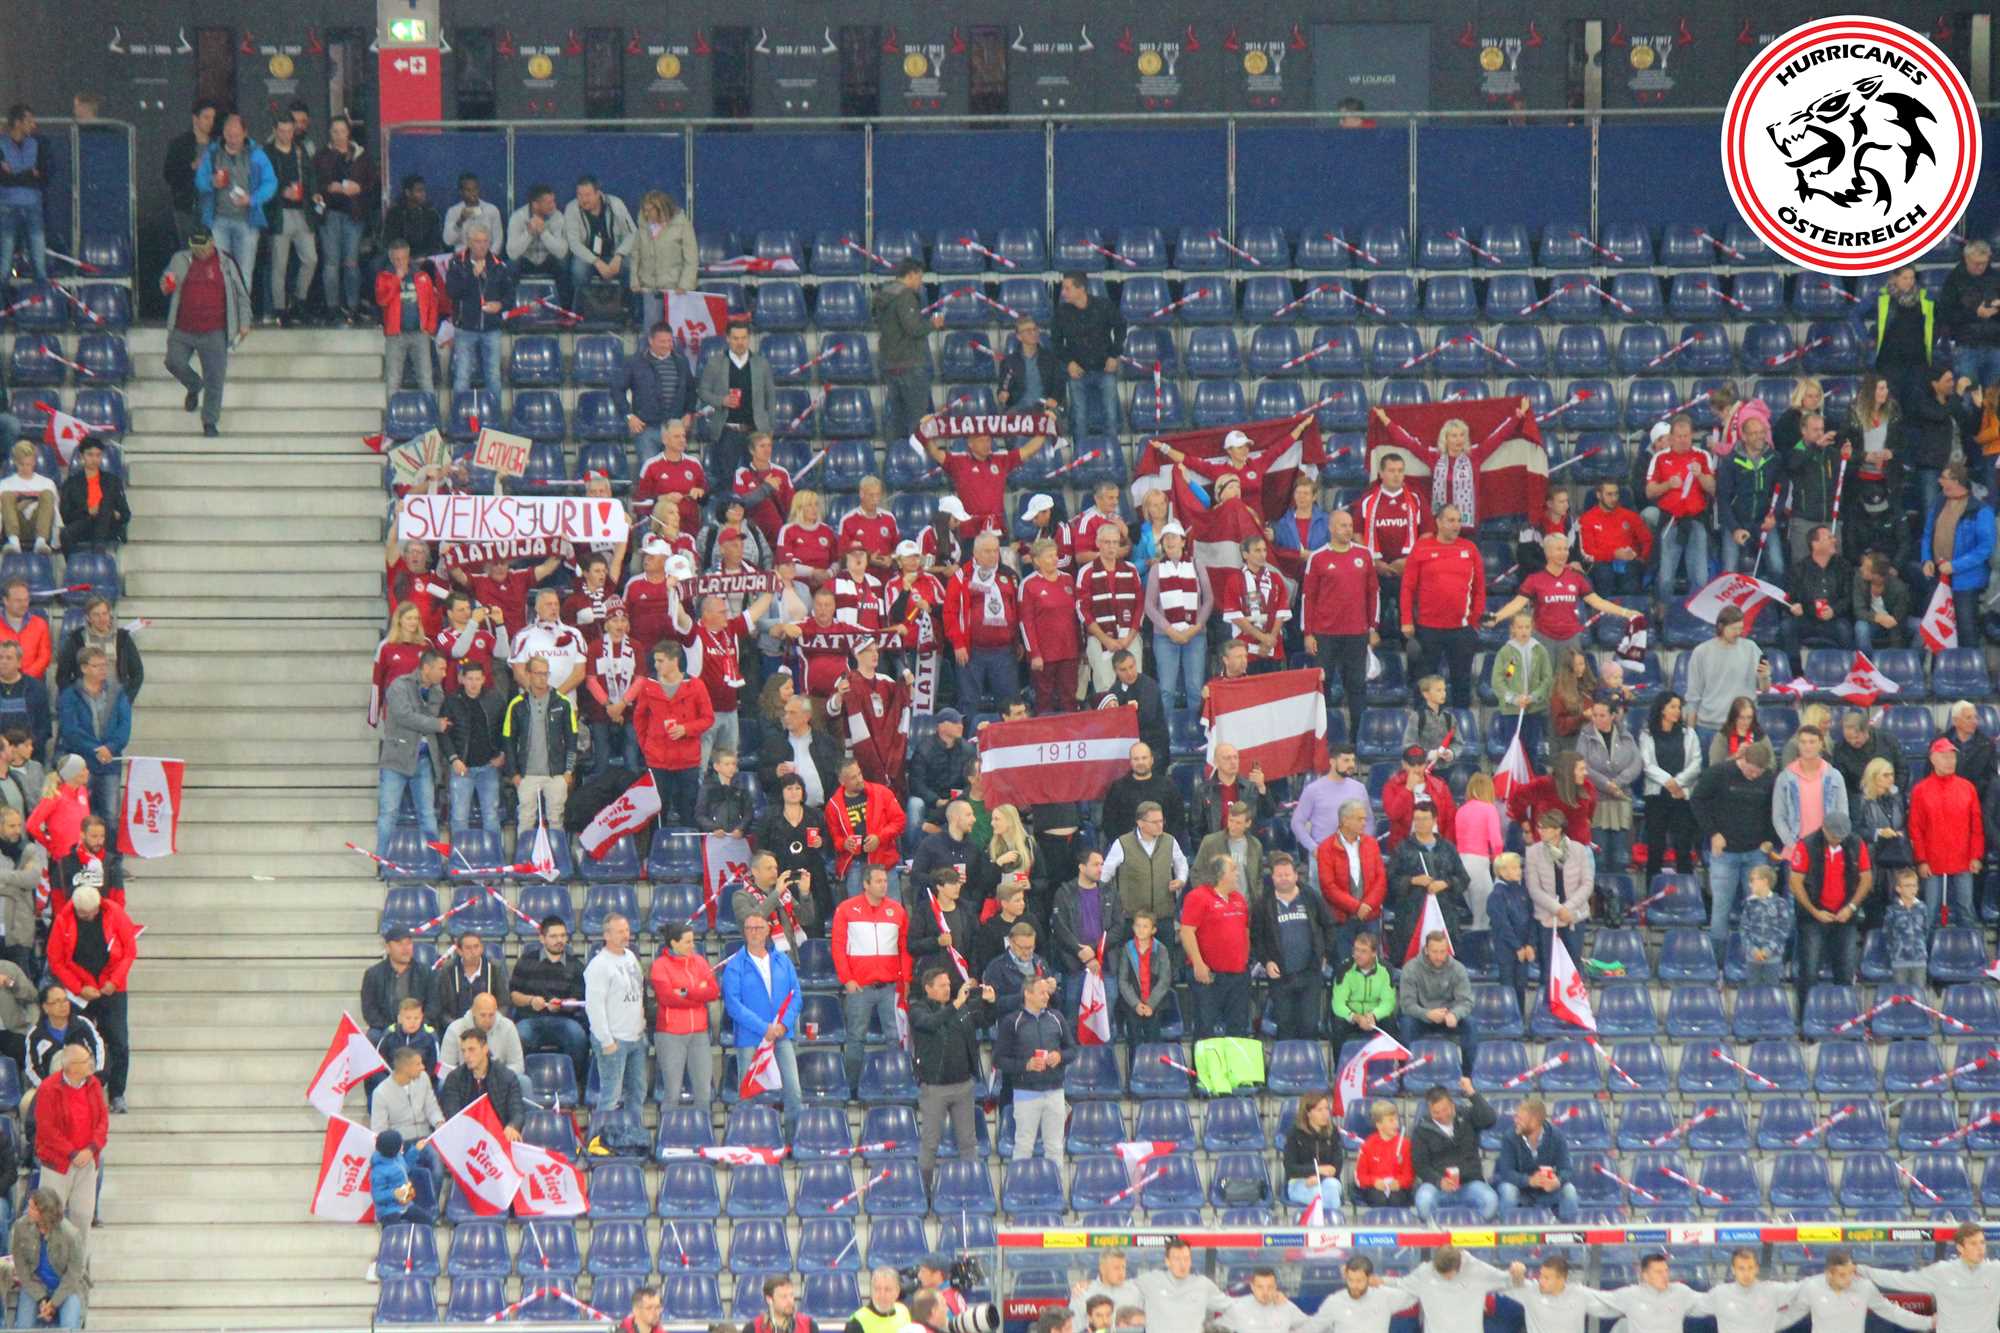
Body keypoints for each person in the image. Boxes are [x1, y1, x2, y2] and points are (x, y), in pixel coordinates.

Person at [1485, 533, 1640, 657]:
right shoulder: (1534, 580)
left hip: (1571, 640)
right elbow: (1517, 603)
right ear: (1547, 552)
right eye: (1558, 549)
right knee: (1544, 684)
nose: (1564, 553)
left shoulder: (1576, 578)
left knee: (1570, 685)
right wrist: (1496, 617)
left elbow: (1597, 602)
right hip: (1543, 639)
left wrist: (1626, 613)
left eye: (1566, 549)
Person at [161, 226, 251, 438]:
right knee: (173, 362)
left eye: (203, 247)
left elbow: (241, 294)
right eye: (196, 247)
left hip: (215, 330)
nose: (200, 251)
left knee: (215, 378)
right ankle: (194, 385)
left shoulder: (226, 262)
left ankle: (210, 422)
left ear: (212, 243)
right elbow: (164, 286)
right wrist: (168, 284)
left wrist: (244, 322)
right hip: (183, 327)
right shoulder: (179, 259)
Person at [830, 864, 908, 1097]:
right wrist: (847, 979)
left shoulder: (897, 910)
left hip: (890, 986)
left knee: (895, 1038)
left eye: (885, 881)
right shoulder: (846, 909)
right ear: (865, 884)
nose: (884, 885)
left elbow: (904, 949)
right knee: (856, 1038)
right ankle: (852, 1090)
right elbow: (838, 947)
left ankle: (896, 1085)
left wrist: (905, 980)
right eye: (878, 881)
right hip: (859, 987)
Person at [721, 914, 804, 1131]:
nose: (754, 932)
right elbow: (733, 1005)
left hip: (781, 1036)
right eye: (749, 928)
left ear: (767, 930)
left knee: (794, 1092)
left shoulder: (782, 960)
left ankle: (793, 1141)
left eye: (758, 928)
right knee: (747, 1095)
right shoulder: (735, 965)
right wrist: (763, 1027)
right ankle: (746, 1139)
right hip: (750, 1038)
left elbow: (796, 995)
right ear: (744, 932)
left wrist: (783, 1025)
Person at [910, 963, 986, 1190]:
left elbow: (983, 1021)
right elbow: (931, 1023)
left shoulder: (959, 1008)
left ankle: (972, 1189)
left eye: (948, 984)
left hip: (963, 1085)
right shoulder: (918, 1009)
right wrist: (956, 1004)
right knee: (930, 1143)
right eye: (942, 985)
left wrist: (989, 1003)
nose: (947, 988)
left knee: (968, 1143)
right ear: (928, 988)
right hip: (935, 1088)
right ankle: (924, 1192)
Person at [1400, 504, 1485, 708]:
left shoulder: (1469, 549)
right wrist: (1406, 620)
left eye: (1459, 520)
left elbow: (1480, 589)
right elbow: (1407, 587)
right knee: (1425, 684)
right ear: (1438, 522)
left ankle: (1460, 726)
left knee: (1462, 684)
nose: (1456, 525)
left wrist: (1474, 622)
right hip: (1428, 629)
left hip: (1461, 630)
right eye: (1451, 520)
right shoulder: (1422, 548)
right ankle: (1423, 724)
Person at [582, 914, 648, 1154]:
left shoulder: (631, 957)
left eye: (627, 930)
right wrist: (606, 1040)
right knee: (611, 1095)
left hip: (636, 1037)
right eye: (620, 931)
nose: (626, 935)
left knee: (637, 1092)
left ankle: (632, 1139)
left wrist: (641, 1022)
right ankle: (598, 1144)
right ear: (606, 935)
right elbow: (594, 1007)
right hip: (614, 1040)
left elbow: (638, 992)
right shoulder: (598, 966)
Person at [1863, 1222, 2000, 1333]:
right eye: (1973, 1243)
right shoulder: (1942, 1271)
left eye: (1982, 1242)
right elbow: (1900, 1280)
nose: (1980, 1248)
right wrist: (1863, 1271)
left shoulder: (1995, 1270)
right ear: (1960, 1248)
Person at [993, 973, 1071, 1168]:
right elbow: (998, 1060)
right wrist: (1025, 1065)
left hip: (1055, 1091)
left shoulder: (1057, 1017)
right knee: (1023, 1146)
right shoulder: (1012, 1021)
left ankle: (1056, 1186)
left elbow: (1072, 1050)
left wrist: (1060, 1056)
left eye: (1047, 992)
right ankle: (1019, 1186)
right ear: (1027, 994)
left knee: (1055, 1147)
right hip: (1025, 1092)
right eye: (1041, 992)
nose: (1047, 996)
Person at [192, 111, 275, 293]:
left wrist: (252, 199)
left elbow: (271, 183)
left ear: (245, 133)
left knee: (244, 271)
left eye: (236, 135)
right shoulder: (212, 153)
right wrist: (211, 182)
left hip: (248, 221)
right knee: (220, 271)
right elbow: (199, 181)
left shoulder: (256, 154)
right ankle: (225, 308)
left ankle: (242, 309)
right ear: (223, 133)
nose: (233, 139)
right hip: (218, 221)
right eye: (229, 135)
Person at [31, 1046, 104, 1248]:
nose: (91, 1064)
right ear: (71, 1067)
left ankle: (79, 1265)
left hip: (87, 1162)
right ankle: (50, 1264)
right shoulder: (48, 1088)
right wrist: (71, 1153)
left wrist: (91, 1149)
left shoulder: (94, 1084)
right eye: (85, 1061)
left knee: (83, 1217)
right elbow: (47, 1129)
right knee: (50, 1219)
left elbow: (102, 1121)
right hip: (57, 1164)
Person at [942, 533, 1022, 714]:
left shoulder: (1008, 575)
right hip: (972, 652)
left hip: (1004, 651)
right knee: (969, 702)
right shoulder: (961, 576)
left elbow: (1016, 610)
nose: (993, 555)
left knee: (1010, 703)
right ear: (975, 553)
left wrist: (1017, 641)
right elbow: (950, 613)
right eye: (987, 551)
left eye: (995, 551)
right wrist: (958, 643)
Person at [1909, 737, 1983, 929]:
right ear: (1933, 759)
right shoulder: (1920, 790)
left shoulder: (1967, 788)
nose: (1950, 761)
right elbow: (1916, 828)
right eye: (1945, 757)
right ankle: (1927, 945)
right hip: (1932, 860)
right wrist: (1921, 860)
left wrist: (1975, 856)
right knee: (1930, 909)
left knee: (1966, 908)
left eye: (1952, 757)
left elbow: (1976, 826)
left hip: (1963, 859)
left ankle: (1968, 945)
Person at [1178, 854, 1253, 1038]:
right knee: (1206, 1029)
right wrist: (1198, 963)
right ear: (1220, 875)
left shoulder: (1239, 898)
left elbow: (1245, 930)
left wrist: (1245, 960)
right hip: (1209, 976)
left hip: (1238, 975)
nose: (1237, 874)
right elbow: (1186, 931)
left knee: (1239, 1028)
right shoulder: (1198, 896)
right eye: (1233, 870)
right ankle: (1203, 1060)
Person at [1385, 804, 1469, 965]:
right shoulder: (1402, 848)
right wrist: (1412, 881)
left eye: (1425, 819)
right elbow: (1390, 880)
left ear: (1434, 820)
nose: (1420, 823)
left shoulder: (1447, 848)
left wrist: (1446, 883)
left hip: (1444, 916)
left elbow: (1463, 878)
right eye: (1417, 819)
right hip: (1410, 918)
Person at [510, 916, 588, 1085]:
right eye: (553, 936)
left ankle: (573, 1084)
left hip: (564, 1020)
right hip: (530, 1019)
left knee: (578, 1037)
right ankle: (523, 1085)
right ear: (542, 938)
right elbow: (514, 995)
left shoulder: (576, 966)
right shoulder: (526, 961)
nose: (559, 940)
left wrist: (562, 1005)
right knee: (519, 1036)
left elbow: (579, 1001)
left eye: (563, 936)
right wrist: (531, 1000)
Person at [649, 922, 717, 1112]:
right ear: (674, 943)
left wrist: (686, 992)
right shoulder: (660, 966)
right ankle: (667, 1130)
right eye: (687, 942)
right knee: (672, 1092)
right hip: (670, 1035)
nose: (692, 945)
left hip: (699, 1034)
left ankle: (703, 1129)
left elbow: (713, 991)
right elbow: (667, 998)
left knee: (704, 1092)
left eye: (692, 941)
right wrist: (698, 997)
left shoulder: (700, 961)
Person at [311, 115, 373, 321]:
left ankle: (352, 307)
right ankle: (332, 307)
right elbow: (314, 182)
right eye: (335, 131)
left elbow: (372, 182)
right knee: (331, 263)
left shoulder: (361, 155)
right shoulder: (321, 156)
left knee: (351, 262)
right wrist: (329, 187)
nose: (339, 135)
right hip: (330, 213)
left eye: (342, 131)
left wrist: (359, 188)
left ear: (349, 132)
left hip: (354, 214)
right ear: (330, 133)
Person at [1412, 1078, 1500, 1222]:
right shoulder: (1421, 1130)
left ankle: (1473, 1233)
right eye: (1436, 1112)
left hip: (1470, 1184)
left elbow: (1490, 1119)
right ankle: (1436, 1235)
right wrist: (1439, 1181)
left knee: (1491, 1201)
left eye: (1445, 1109)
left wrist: (1471, 1093)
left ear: (1452, 1104)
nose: (1442, 1115)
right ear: (1429, 1111)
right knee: (1423, 1201)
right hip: (1438, 1186)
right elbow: (1420, 1166)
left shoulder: (1467, 1115)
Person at [698, 321, 775, 483]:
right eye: (735, 338)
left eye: (743, 338)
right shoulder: (715, 363)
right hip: (727, 432)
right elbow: (703, 391)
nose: (740, 342)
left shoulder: (761, 364)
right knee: (725, 481)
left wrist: (770, 428)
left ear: (749, 338)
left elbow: (771, 397)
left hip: (756, 432)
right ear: (727, 338)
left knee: (758, 480)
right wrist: (721, 400)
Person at [55, 648, 127, 820]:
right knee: (80, 815)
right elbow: (70, 730)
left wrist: (110, 747)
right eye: (96, 666)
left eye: (105, 665)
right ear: (84, 668)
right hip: (81, 764)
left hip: (109, 762)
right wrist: (96, 749)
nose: (103, 669)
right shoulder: (70, 695)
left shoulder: (117, 693)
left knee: (111, 815)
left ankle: (109, 841)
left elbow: (124, 725)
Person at [1051, 271, 1124, 437]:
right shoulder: (1061, 312)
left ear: (1081, 288)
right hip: (1077, 371)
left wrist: (1114, 355)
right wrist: (1069, 362)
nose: (1063, 293)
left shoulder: (1103, 306)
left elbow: (1121, 327)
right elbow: (1056, 342)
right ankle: (1079, 452)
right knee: (1079, 418)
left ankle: (1112, 450)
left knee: (1111, 416)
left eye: (1067, 288)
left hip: (1104, 369)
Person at [1788, 1250, 1933, 1333]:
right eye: (1842, 1275)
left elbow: (1891, 1312)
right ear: (1829, 1274)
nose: (1849, 1279)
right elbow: (1789, 1314)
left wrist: (1927, 1322)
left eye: (1851, 1273)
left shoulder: (1864, 1287)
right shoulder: (1812, 1286)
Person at [443, 222, 512, 394]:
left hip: (491, 328)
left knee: (493, 376)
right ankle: (459, 410)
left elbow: (510, 296)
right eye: (477, 241)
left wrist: (500, 305)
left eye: (485, 241)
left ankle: (494, 411)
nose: (482, 245)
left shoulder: (498, 265)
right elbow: (452, 292)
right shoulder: (457, 263)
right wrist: (472, 276)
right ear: (469, 242)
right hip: (465, 328)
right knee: (462, 376)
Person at [7, 1184, 85, 1328]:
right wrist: (41, 1298)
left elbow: (74, 1274)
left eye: (32, 1208)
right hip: (34, 1285)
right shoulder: (21, 1227)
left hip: (66, 1288)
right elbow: (21, 1268)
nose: (27, 1210)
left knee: (69, 1326)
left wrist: (53, 1303)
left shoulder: (71, 1234)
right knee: (23, 1326)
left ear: (44, 1213)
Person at [1494, 1098, 1580, 1222]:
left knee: (1569, 1191)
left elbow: (1567, 1169)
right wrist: (1530, 1181)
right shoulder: (1510, 1137)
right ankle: (1507, 1229)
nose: (1515, 1121)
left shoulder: (1556, 1136)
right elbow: (1506, 1173)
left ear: (1534, 1121)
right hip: (1520, 1189)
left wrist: (1558, 1181)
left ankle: (1568, 1230)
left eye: (1520, 1118)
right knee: (1508, 1191)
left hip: (1547, 1190)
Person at [374, 238, 440, 395]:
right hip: (396, 335)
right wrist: (396, 280)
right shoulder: (384, 277)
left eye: (403, 258)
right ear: (391, 259)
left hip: (419, 333)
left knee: (425, 377)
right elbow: (382, 300)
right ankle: (392, 410)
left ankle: (430, 409)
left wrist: (430, 327)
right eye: (396, 259)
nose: (400, 262)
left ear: (408, 257)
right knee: (393, 379)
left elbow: (432, 302)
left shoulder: (422, 276)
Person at [1398, 930, 1475, 1064]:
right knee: (1406, 1024)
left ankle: (1468, 1072)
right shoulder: (1410, 969)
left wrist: (1455, 1014)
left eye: (1442, 952)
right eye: (1435, 952)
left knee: (1470, 1024)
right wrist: (1427, 1014)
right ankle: (1404, 1071)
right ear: (1426, 950)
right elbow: (1406, 1004)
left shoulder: (1458, 969)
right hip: (1420, 1017)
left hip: (1448, 1017)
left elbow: (1466, 1001)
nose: (1439, 956)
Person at [438, 1028, 527, 1138]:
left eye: (471, 1050)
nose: (466, 1055)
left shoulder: (506, 1077)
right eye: (463, 1051)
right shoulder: (454, 1078)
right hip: (465, 1136)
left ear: (485, 1049)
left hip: (498, 1136)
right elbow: (452, 1114)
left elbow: (517, 1111)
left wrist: (513, 1126)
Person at [1487, 612, 1553, 758]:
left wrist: (1534, 696)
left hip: (1534, 709)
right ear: (1512, 629)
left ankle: (1531, 773)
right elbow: (1497, 681)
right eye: (1520, 627)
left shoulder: (1540, 650)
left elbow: (1547, 678)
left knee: (1532, 749)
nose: (1524, 631)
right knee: (1513, 750)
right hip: (1512, 711)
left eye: (1527, 627)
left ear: (1532, 628)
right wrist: (1514, 699)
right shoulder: (1505, 652)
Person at [54, 597, 140, 702]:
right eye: (96, 615)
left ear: (110, 614)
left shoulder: (123, 637)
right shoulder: (77, 639)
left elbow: (137, 673)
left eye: (105, 613)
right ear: (88, 618)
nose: (102, 618)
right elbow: (62, 675)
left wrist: (126, 699)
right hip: (84, 701)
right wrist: (75, 700)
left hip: (116, 700)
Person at [631, 189, 698, 324]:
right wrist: (634, 280)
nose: (646, 214)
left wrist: (684, 285)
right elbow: (636, 254)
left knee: (676, 327)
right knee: (652, 327)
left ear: (661, 209)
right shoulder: (643, 226)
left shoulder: (682, 225)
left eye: (650, 210)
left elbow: (691, 259)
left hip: (676, 289)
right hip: (650, 288)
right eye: (644, 210)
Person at [1293, 748, 1373, 860]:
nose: (1351, 765)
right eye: (1346, 760)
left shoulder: (1360, 788)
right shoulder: (1313, 789)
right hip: (1323, 853)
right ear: (1332, 762)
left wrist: (1364, 846)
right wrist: (1313, 848)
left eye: (1353, 760)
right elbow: (1296, 823)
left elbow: (1369, 820)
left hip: (1353, 853)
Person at [1136, 1238, 1230, 1333]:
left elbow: (1230, 1307)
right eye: (1177, 1259)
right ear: (1167, 1261)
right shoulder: (1151, 1283)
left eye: (1186, 1259)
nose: (1182, 1264)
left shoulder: (1202, 1285)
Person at [563, 175, 635, 295]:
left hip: (614, 256)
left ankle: (629, 304)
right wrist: (596, 262)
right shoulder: (572, 208)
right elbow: (573, 243)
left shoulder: (616, 204)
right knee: (578, 269)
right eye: (579, 195)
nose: (583, 200)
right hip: (588, 259)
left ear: (598, 193)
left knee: (631, 266)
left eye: (587, 195)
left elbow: (632, 234)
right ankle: (583, 304)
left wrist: (619, 255)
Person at [1114, 910, 1172, 1057]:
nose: (1141, 929)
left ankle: (1153, 1068)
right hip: (1133, 1003)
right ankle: (1135, 1068)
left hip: (1154, 1003)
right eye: (1138, 926)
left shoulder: (1161, 949)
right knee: (1134, 1040)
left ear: (1153, 930)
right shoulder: (1127, 949)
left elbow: (1164, 980)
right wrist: (1136, 1004)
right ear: (1133, 927)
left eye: (1145, 926)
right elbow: (1123, 981)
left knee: (1153, 1039)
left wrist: (1151, 1004)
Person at [163, 99, 219, 246]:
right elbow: (168, 174)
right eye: (206, 117)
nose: (211, 122)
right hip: (187, 207)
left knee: (213, 251)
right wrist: (191, 167)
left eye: (213, 118)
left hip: (213, 207)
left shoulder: (218, 144)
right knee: (189, 250)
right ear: (195, 119)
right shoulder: (179, 144)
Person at [1280, 1092, 1345, 1219]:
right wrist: (1317, 1170)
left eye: (1326, 1108)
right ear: (1308, 1113)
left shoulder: (1333, 1132)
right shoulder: (1294, 1134)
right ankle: (1330, 1225)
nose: (1325, 1113)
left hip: (1328, 1181)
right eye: (1319, 1110)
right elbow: (1290, 1168)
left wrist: (1320, 1177)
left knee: (1331, 1187)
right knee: (1329, 1195)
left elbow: (1336, 1166)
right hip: (1300, 1182)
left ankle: (1315, 1227)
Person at [1382, 745, 1456, 850]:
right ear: (1404, 764)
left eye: (1420, 764)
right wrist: (1407, 789)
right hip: (1404, 849)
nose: (1417, 769)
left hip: (1436, 847)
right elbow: (1393, 815)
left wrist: (1446, 849)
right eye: (1412, 765)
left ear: (1426, 764)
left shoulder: (1439, 786)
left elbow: (1450, 820)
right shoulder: (1392, 786)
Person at [506, 183, 570, 301]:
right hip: (526, 261)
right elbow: (512, 254)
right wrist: (529, 233)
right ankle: (509, 307)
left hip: (548, 261)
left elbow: (562, 252)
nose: (553, 205)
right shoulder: (517, 218)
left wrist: (544, 232)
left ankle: (566, 309)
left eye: (553, 201)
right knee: (511, 266)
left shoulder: (557, 217)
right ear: (535, 204)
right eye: (549, 203)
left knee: (563, 265)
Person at [1351, 1101, 1415, 1210]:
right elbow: (1360, 1176)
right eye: (1391, 1120)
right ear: (1379, 1125)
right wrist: (1374, 1182)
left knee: (1396, 1199)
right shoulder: (1368, 1145)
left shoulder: (1405, 1144)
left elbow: (1409, 1175)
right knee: (1379, 1199)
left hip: (1399, 1189)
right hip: (1374, 1189)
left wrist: (1399, 1183)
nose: (1396, 1124)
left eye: (1396, 1119)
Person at [750, 1276, 817, 1333]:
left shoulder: (809, 1325)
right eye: (783, 1297)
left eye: (791, 1295)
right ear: (769, 1299)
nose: (790, 1301)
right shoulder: (753, 1328)